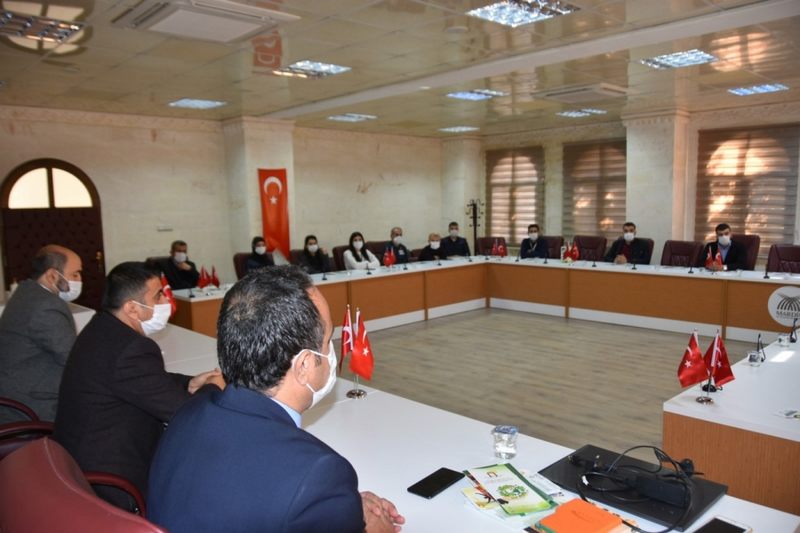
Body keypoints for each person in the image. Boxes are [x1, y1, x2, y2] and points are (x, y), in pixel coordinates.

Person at [148, 267, 405, 533]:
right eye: (328, 340)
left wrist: (340, 507)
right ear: (304, 365)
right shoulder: (319, 473)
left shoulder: (190, 410)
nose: (332, 351)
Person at [53, 262, 224, 511]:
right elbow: (185, 414)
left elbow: (143, 379)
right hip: (112, 479)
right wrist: (215, 387)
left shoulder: (102, 327)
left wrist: (189, 382)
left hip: (79, 457)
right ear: (132, 308)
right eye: (158, 296)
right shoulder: (131, 348)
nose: (166, 301)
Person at [0, 245, 82, 423]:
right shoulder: (46, 306)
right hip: (34, 405)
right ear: (52, 275)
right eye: (75, 274)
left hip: (18, 394)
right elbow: (73, 359)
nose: (79, 280)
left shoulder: (27, 292)